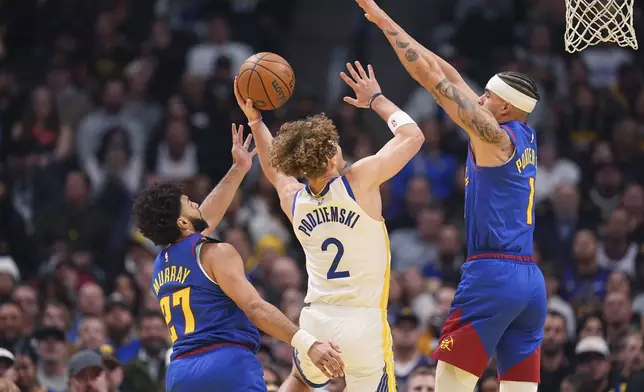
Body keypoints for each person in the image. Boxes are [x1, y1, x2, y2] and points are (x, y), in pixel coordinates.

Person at [354, 1, 546, 391]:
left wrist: (382, 21)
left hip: (493, 273)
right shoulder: (525, 134)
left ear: (505, 106)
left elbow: (432, 80)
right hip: (530, 280)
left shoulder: (492, 136)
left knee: (450, 383)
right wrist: (383, 19)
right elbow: (449, 72)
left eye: (487, 96)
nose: (478, 99)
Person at [234, 56, 424, 391]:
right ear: (328, 156)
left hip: (315, 320)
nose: (340, 147)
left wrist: (255, 121)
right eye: (334, 145)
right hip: (363, 322)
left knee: (299, 380)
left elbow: (273, 169)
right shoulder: (358, 180)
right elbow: (413, 136)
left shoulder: (294, 200)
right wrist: (376, 99)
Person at [133, 124, 343, 392]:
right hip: (225, 364)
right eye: (188, 201)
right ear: (182, 220)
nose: (196, 202)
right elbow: (255, 308)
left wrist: (239, 168)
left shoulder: (160, 264)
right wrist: (308, 343)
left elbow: (201, 221)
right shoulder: (216, 253)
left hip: (180, 374)